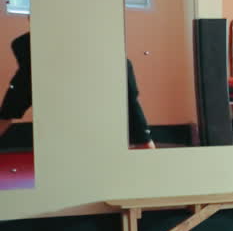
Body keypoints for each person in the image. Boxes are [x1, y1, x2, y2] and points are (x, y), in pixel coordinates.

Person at [0, 32, 155, 149]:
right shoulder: (24, 48)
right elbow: (10, 108)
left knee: (129, 106)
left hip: (101, 78)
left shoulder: (107, 57)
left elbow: (131, 103)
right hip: (44, 76)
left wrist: (144, 139)